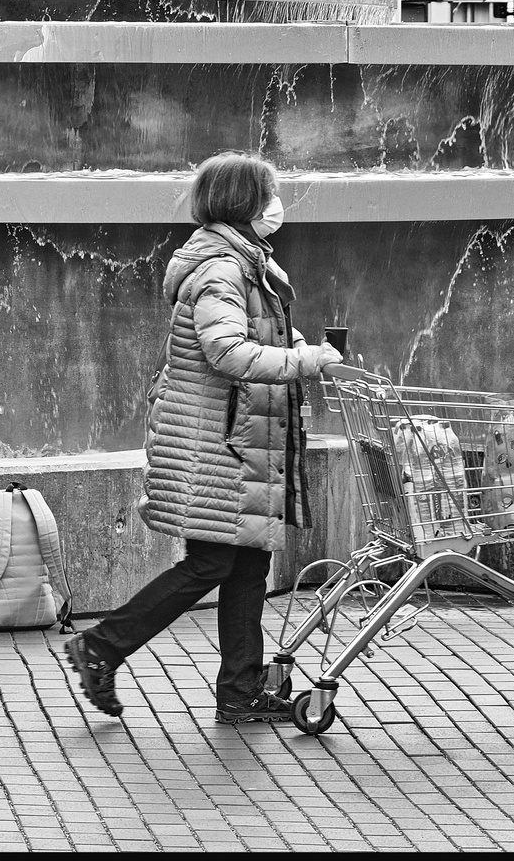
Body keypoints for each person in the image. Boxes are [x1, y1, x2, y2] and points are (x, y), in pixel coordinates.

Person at [63, 151, 342, 724]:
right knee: (212, 564)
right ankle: (101, 647)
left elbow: (246, 338)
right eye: (268, 195)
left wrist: (298, 351)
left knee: (244, 567)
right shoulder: (222, 270)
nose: (277, 206)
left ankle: (240, 692)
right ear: (245, 203)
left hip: (238, 442)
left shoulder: (244, 262)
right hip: (220, 445)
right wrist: (304, 361)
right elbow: (226, 352)